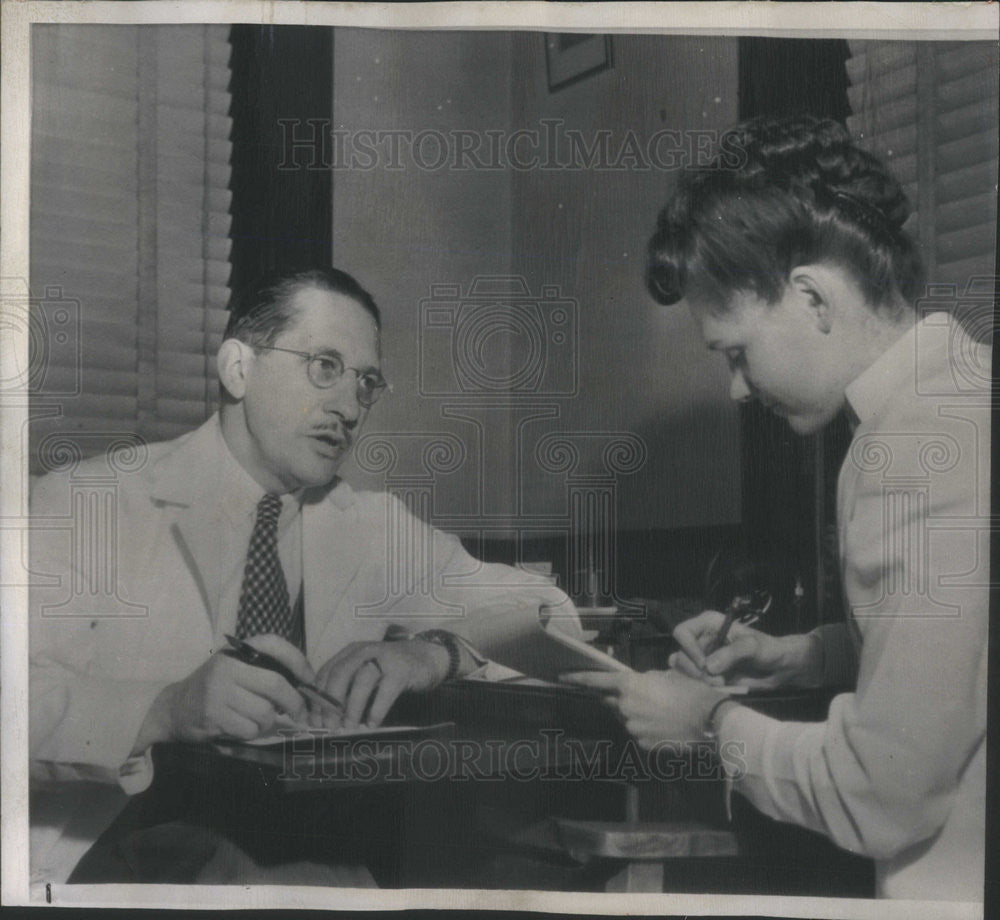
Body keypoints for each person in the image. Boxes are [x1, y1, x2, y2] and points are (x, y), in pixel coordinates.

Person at [29, 267, 573, 881]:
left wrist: (435, 652)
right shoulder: (88, 501)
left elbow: (551, 614)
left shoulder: (367, 523)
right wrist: (164, 708)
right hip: (110, 850)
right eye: (324, 367)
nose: (347, 406)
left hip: (298, 850)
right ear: (239, 368)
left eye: (365, 383)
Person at [564, 115, 990, 901]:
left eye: (736, 351)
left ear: (813, 298)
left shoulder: (913, 452)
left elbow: (883, 793)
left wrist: (710, 721)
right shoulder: (963, 395)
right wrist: (801, 655)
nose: (735, 387)